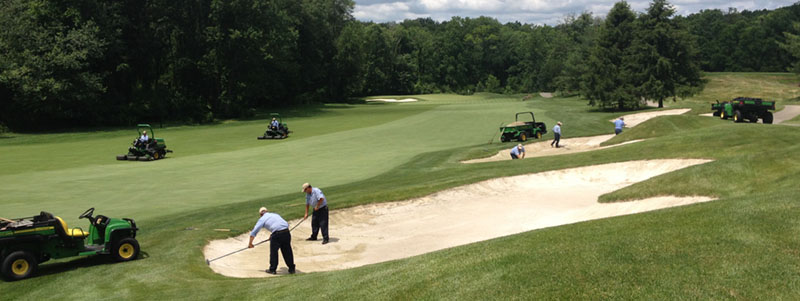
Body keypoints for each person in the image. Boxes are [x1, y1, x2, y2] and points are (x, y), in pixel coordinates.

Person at [249, 207, 295, 275]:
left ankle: (272, 269)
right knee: (287, 251)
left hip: (277, 235)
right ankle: (291, 268)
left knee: (274, 252)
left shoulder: (262, 219)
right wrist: (273, 234)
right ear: (267, 211)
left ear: (260, 214)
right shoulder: (275, 214)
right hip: (286, 232)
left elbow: (254, 232)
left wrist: (250, 244)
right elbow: (285, 224)